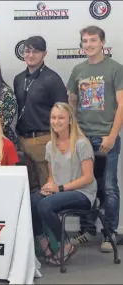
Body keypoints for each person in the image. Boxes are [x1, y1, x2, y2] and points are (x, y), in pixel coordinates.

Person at [67, 26, 123, 252]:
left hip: (105, 137)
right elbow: (71, 103)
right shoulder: (78, 69)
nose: (88, 44)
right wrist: (74, 134)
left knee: (108, 187)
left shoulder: (115, 68)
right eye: (85, 41)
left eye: (93, 40)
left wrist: (112, 135)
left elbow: (122, 105)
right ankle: (87, 229)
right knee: (86, 186)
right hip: (82, 138)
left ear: (102, 42)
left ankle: (109, 233)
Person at [31, 102, 97, 266]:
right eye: (53, 117)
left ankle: (66, 244)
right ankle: (44, 244)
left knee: (45, 206)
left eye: (61, 117)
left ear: (69, 120)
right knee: (32, 201)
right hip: (60, 191)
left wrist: (59, 188)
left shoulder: (82, 143)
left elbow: (88, 178)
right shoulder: (49, 145)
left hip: (83, 193)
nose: (56, 121)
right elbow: (52, 176)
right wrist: (49, 185)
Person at [14, 36, 68, 190]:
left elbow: (64, 112)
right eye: (27, 51)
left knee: (47, 187)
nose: (30, 55)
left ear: (44, 53)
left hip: (44, 139)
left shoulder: (52, 79)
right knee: (28, 188)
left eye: (36, 51)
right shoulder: (18, 79)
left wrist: (61, 141)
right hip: (22, 140)